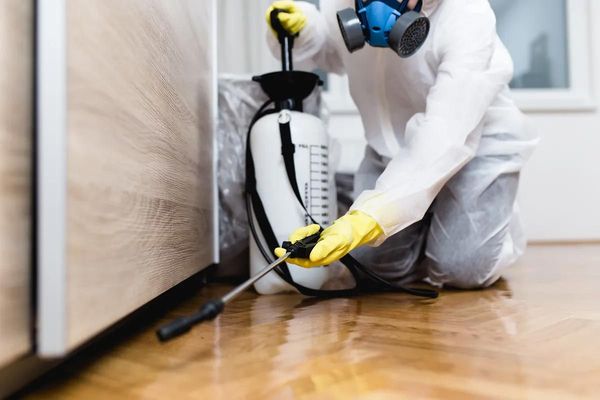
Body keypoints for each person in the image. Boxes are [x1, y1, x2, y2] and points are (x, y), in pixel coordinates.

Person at [267, 0, 538, 289]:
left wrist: (370, 217)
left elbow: (445, 131)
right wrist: (305, 29)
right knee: (371, 268)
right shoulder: (343, 4)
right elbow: (333, 50)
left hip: (475, 146)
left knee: (461, 269)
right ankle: (423, 220)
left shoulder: (467, 13)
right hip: (390, 151)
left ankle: (483, 220)